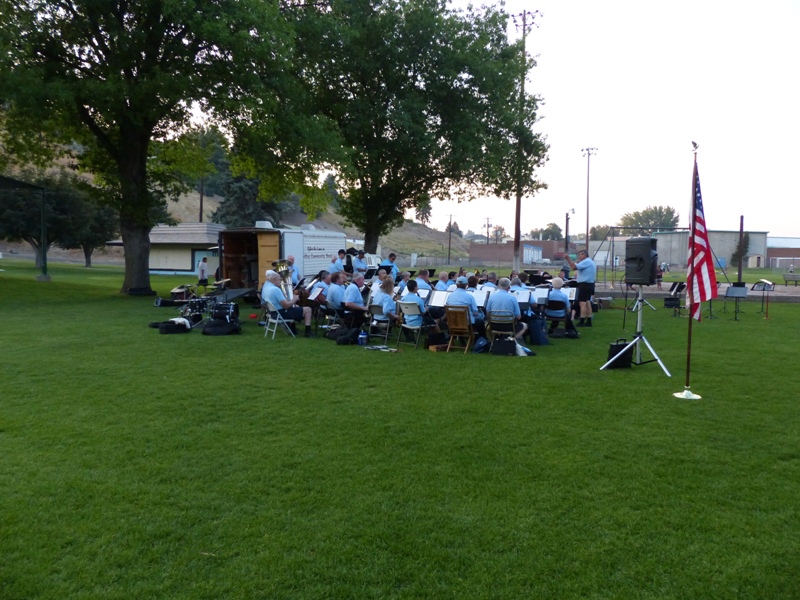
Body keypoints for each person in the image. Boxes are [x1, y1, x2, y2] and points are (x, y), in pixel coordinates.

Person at [262, 271, 315, 337]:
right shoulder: (275, 289)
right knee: (308, 309)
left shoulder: (266, 287)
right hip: (281, 314)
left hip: (273, 313)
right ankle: (308, 332)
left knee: (296, 306)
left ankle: (292, 328)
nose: (280, 281)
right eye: (279, 280)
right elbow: (286, 306)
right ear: (274, 280)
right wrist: (295, 299)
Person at [566, 249, 597, 327]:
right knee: (587, 302)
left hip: (584, 284)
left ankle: (582, 321)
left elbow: (573, 267)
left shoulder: (586, 261)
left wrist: (568, 258)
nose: (578, 257)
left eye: (579, 255)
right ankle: (589, 320)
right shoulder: (590, 262)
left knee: (582, 303)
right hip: (590, 284)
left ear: (584, 255)